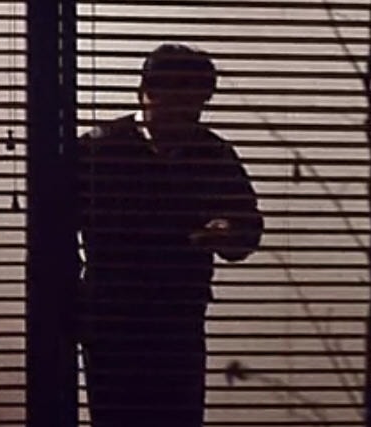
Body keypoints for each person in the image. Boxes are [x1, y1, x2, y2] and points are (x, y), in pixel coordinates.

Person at [75, 43, 264, 427]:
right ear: (145, 94)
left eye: (194, 106)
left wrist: (228, 232)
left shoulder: (212, 153)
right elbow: (57, 229)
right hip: (113, 320)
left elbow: (247, 226)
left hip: (178, 319)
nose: (183, 117)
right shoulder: (98, 149)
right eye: (175, 103)